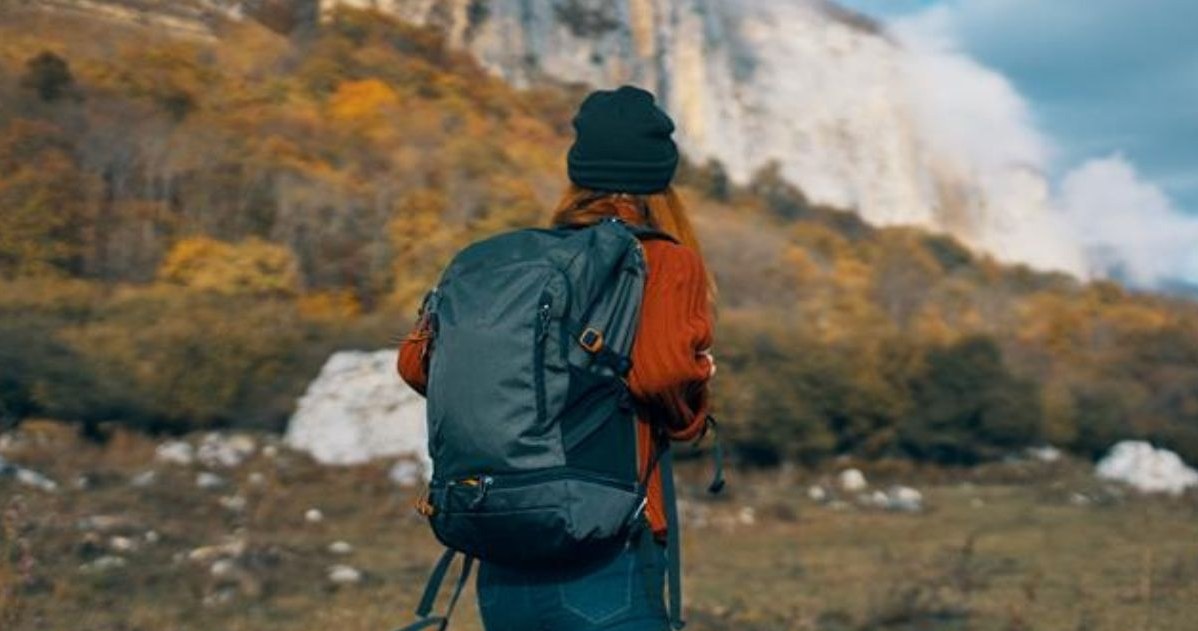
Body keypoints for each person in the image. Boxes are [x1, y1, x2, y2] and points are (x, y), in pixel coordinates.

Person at [397, 85, 716, 631]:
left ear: (578, 174)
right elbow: (663, 376)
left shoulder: (511, 260)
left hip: (502, 549)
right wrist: (700, 386)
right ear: (661, 179)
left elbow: (414, 363)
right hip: (606, 549)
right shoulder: (663, 257)